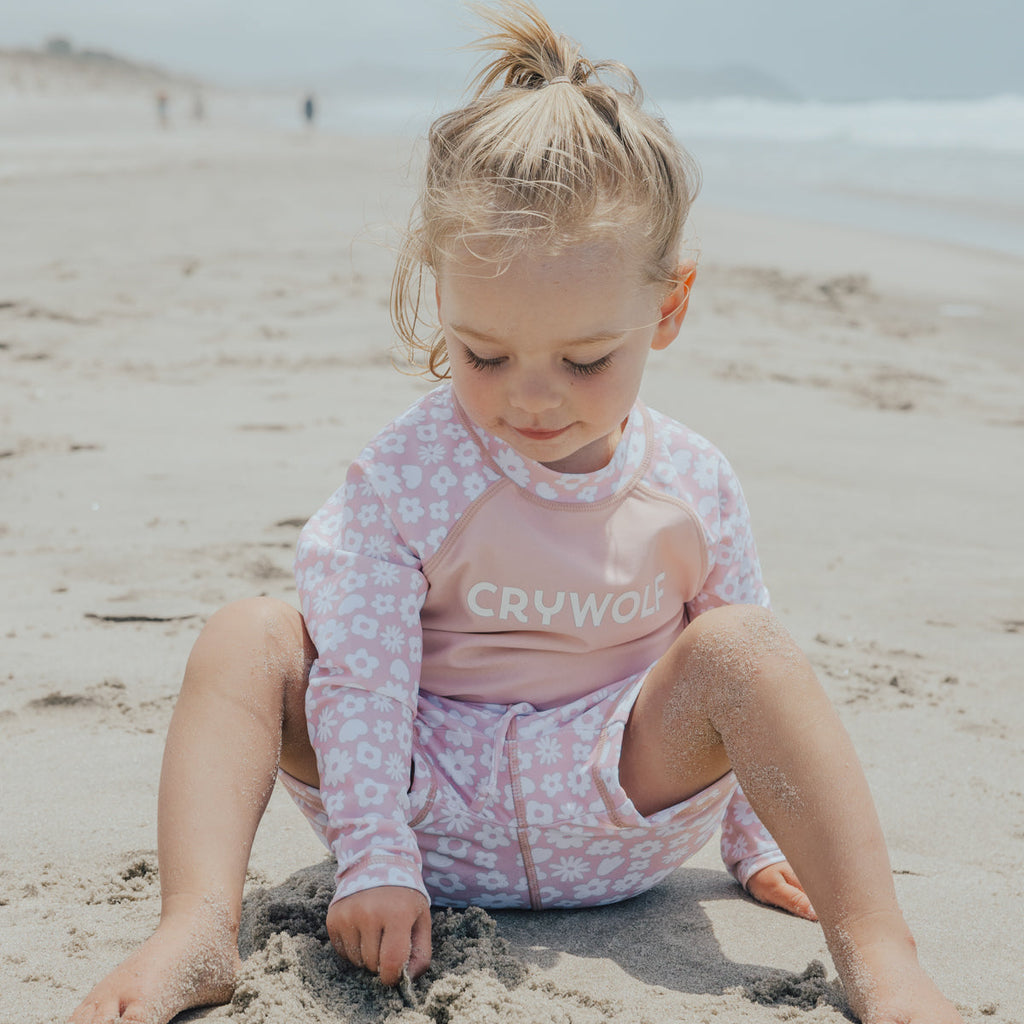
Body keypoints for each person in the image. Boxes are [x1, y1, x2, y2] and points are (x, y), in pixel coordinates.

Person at [70, 3, 962, 1023]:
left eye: (584, 361)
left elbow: (743, 698)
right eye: (483, 353)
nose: (529, 397)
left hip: (618, 806)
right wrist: (373, 854)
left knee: (748, 644)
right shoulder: (408, 474)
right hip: (416, 807)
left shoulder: (692, 481)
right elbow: (358, 679)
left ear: (666, 309)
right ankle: (194, 927)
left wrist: (757, 842)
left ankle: (882, 956)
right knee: (247, 635)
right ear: (438, 296)